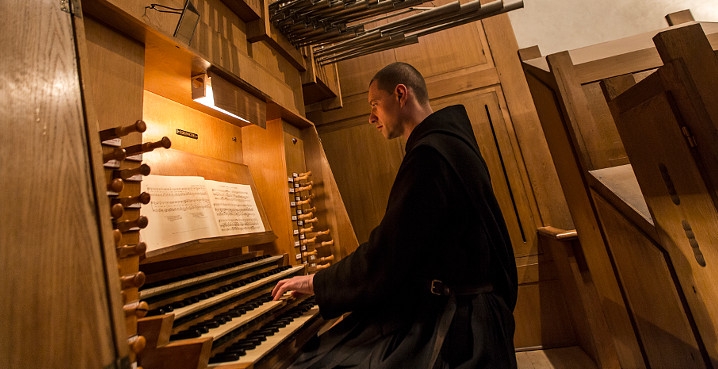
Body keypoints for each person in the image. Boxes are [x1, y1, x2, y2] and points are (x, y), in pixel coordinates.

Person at [272, 62, 518, 369]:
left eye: (375, 105)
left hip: (459, 325)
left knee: (315, 362)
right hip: (465, 307)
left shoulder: (430, 156)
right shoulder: (448, 141)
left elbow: (387, 254)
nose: (371, 117)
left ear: (400, 94)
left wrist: (317, 283)